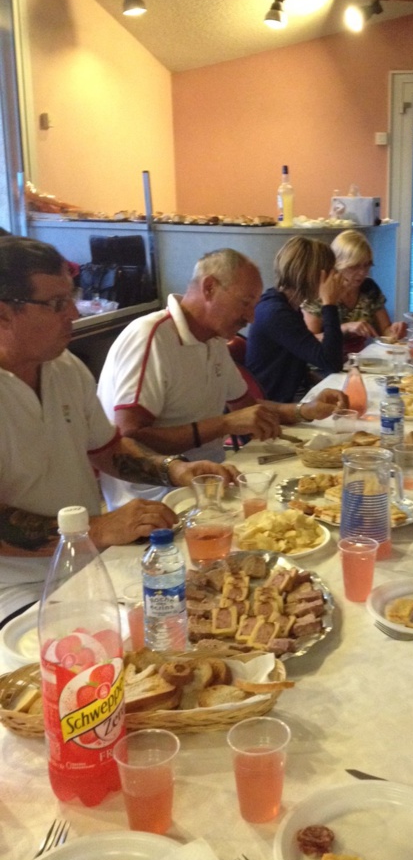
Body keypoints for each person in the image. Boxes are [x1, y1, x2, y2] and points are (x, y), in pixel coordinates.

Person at [0, 237, 237, 626]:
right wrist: (97, 528)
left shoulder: (64, 367)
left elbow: (109, 450)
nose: (74, 313)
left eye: (71, 297)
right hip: (15, 595)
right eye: (57, 304)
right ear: (4, 313)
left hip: (88, 568)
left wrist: (173, 470)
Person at [98, 248, 347, 509]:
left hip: (215, 479)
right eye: (245, 302)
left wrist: (306, 410)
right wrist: (224, 423)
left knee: (315, 499)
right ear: (209, 288)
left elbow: (248, 408)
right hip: (158, 497)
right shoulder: (150, 337)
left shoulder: (213, 339)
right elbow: (130, 436)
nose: (251, 317)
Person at [245, 236, 344, 402]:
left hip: (289, 397)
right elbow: (331, 362)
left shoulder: (285, 305)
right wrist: (329, 304)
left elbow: (297, 364)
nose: (334, 278)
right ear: (313, 275)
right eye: (330, 271)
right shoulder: (276, 313)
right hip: (274, 407)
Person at [302, 230, 406, 354]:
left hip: (357, 361)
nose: (362, 273)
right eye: (354, 266)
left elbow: (384, 330)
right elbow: (308, 341)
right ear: (337, 264)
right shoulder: (319, 292)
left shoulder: (368, 288)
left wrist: (395, 331)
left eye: (367, 265)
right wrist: (345, 328)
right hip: (322, 366)